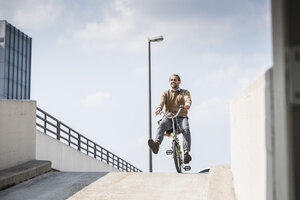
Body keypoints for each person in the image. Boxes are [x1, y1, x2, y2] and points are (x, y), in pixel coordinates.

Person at [148, 74, 192, 164]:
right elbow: (161, 102)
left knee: (186, 129)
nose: (173, 81)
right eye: (171, 80)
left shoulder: (184, 92)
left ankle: (186, 153)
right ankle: (156, 145)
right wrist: (159, 109)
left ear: (179, 82)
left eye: (175, 80)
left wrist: (187, 105)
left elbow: (187, 99)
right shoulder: (166, 93)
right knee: (162, 126)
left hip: (181, 116)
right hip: (169, 116)